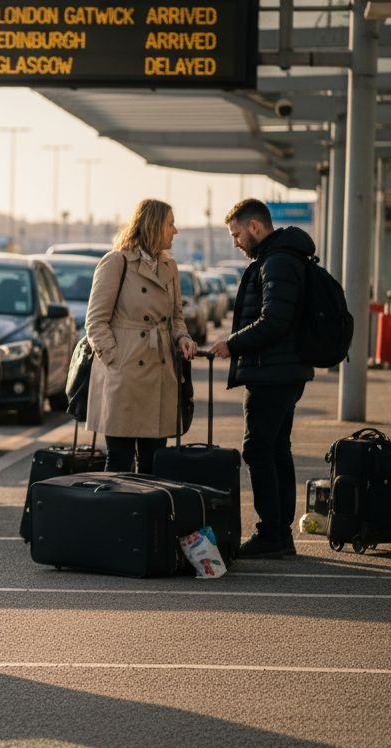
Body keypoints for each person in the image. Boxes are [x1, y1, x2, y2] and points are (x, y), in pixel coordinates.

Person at [206, 198, 314, 559]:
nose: (235, 242)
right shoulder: (281, 257)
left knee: (259, 450)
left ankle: (271, 534)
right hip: (281, 370)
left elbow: (274, 320)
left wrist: (231, 344)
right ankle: (280, 536)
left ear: (255, 227)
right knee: (276, 449)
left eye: (237, 234)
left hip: (273, 372)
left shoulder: (277, 261)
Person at [84, 198, 197, 473]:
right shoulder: (116, 262)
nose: (175, 231)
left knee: (154, 461)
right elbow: (95, 321)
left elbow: (176, 316)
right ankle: (116, 515)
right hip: (124, 374)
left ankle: (149, 516)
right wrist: (115, 358)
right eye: (170, 224)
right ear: (154, 225)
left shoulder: (169, 266)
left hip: (160, 372)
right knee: (120, 460)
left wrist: (182, 338)